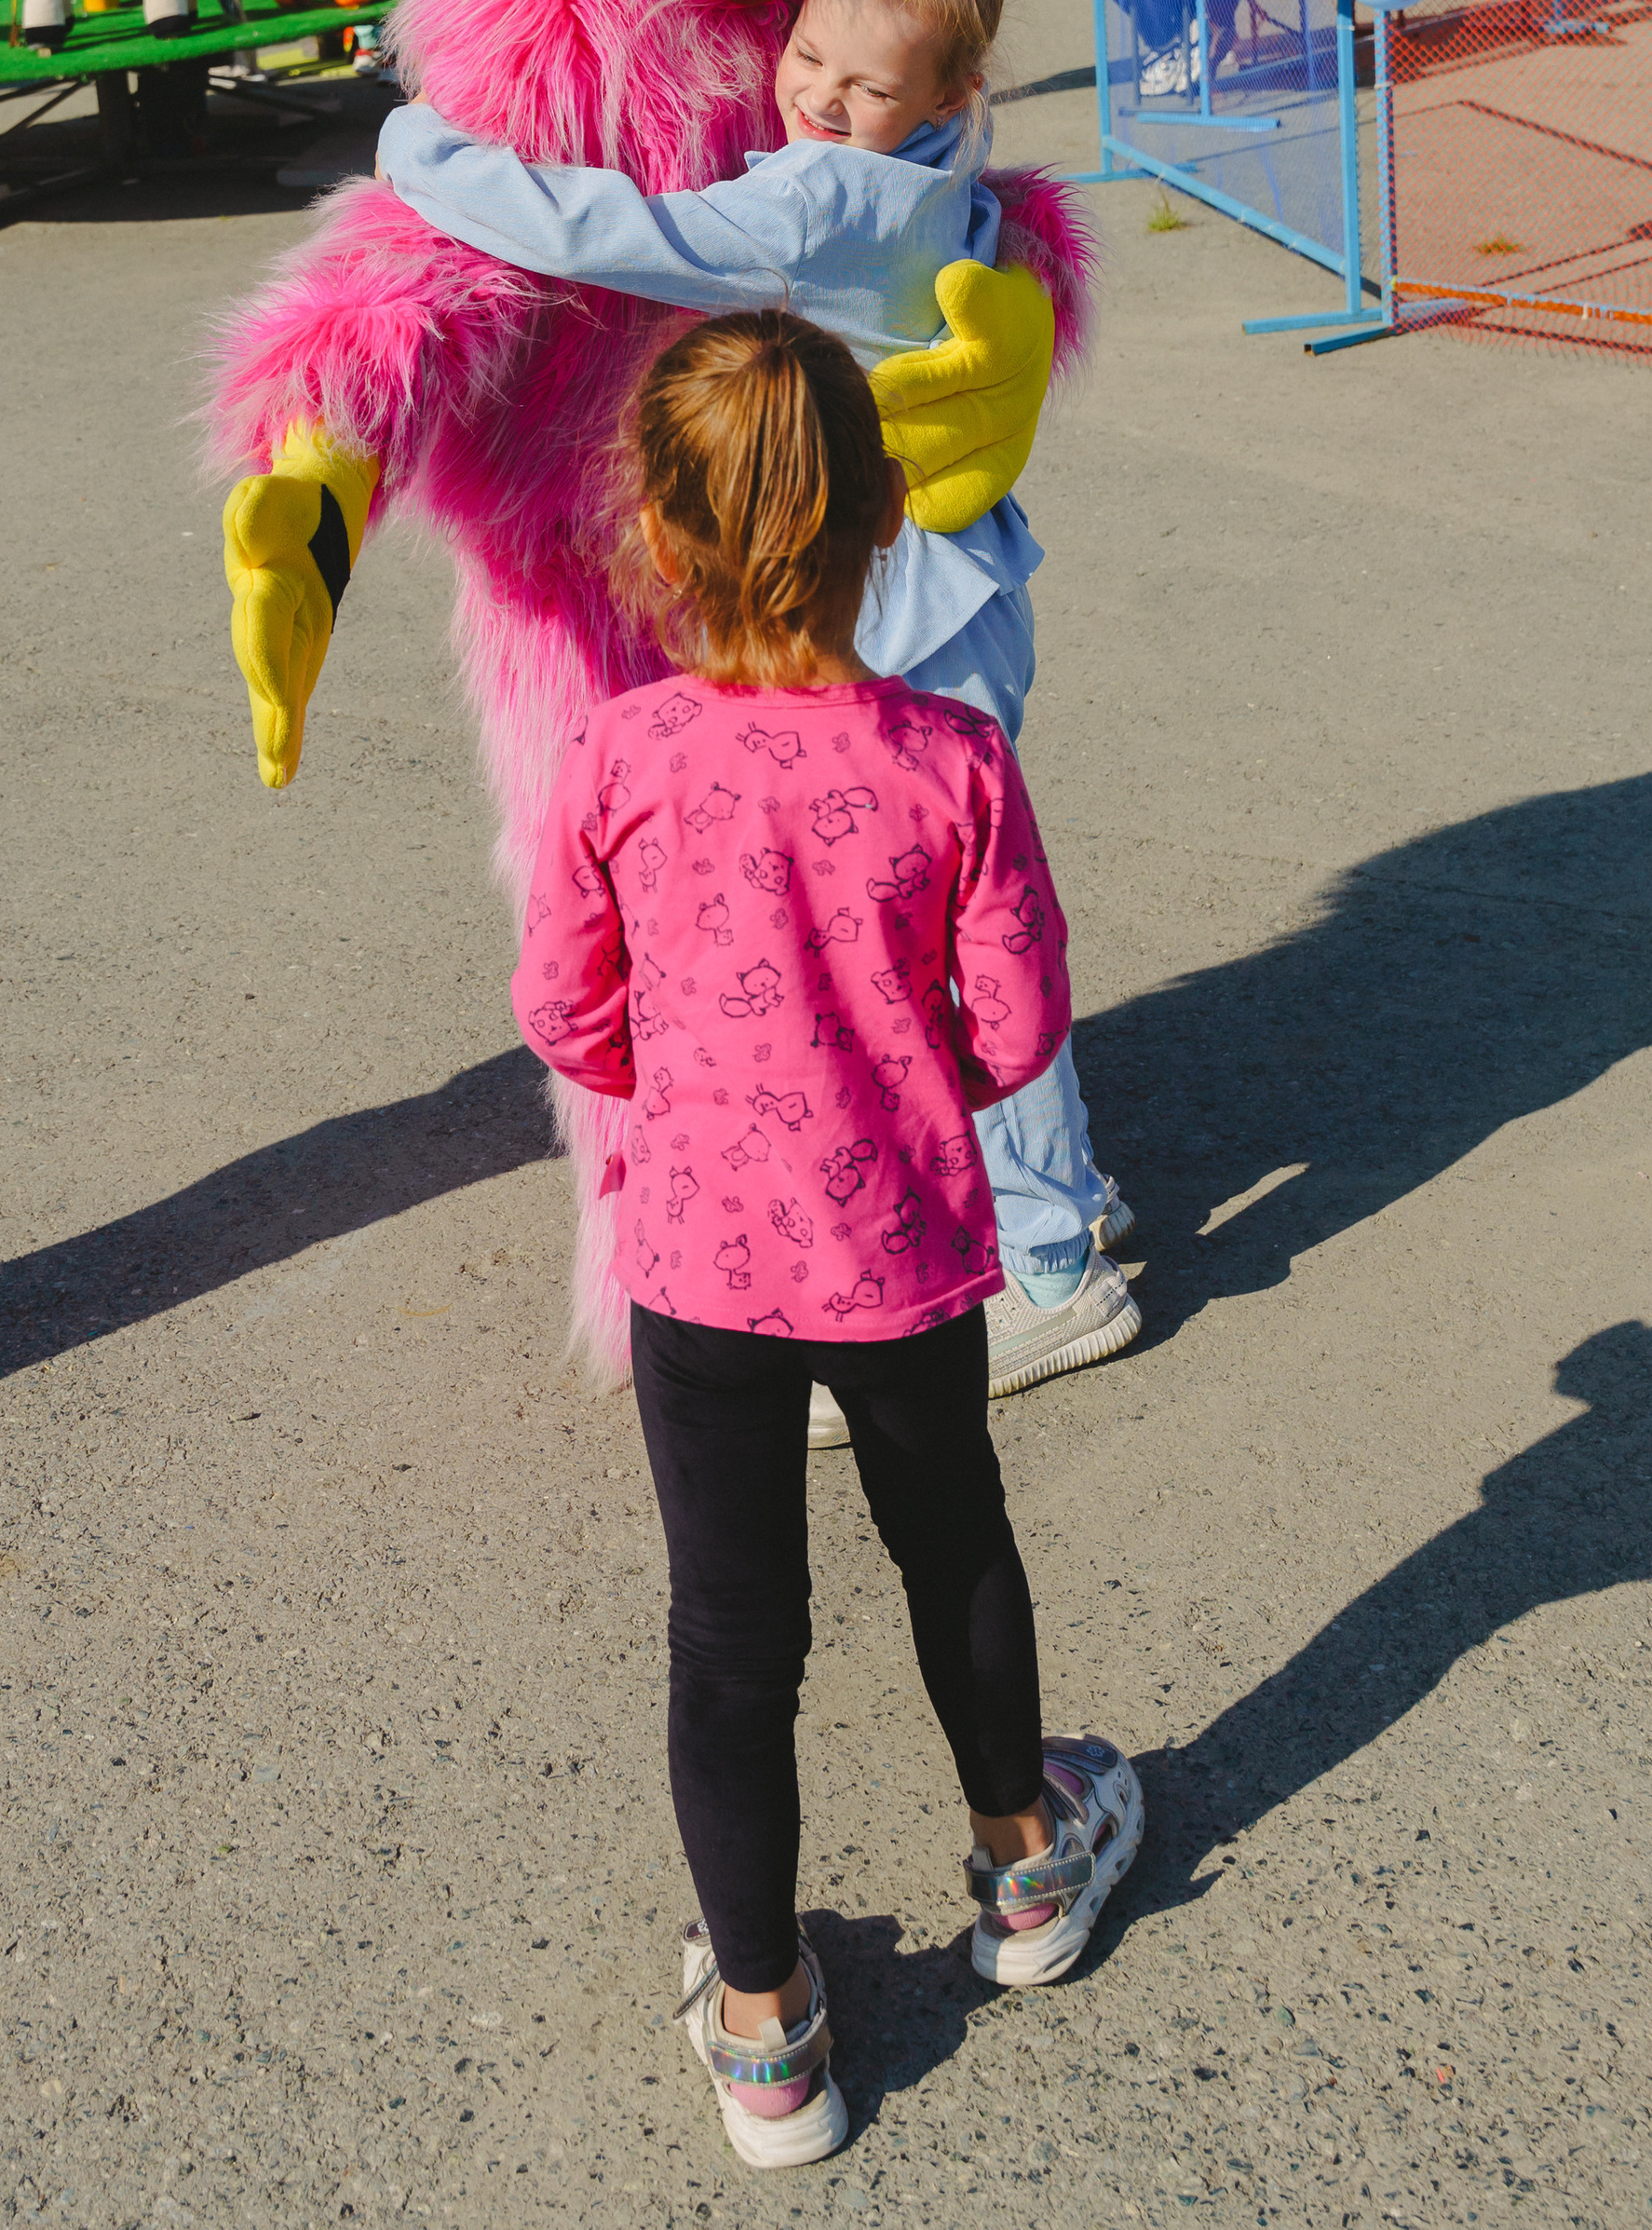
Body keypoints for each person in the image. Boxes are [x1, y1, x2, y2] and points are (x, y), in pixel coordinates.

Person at [514, 306, 1142, 2170]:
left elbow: (564, 1009)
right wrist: (900, 1066)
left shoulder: (616, 758)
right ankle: (1026, 1873)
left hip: (697, 1268)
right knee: (951, 1546)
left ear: (656, 538)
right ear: (886, 516)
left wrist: (693, 1081)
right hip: (900, 1262)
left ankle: (768, 2028)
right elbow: (1018, 1029)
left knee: (730, 1638)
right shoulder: (952, 761)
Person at [382, 0, 1139, 1411]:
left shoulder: (825, 206)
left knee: (930, 946)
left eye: (862, 88)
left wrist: (419, 153)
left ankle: (1054, 1267)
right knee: (968, 926)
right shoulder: (938, 165)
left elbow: (617, 232)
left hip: (906, 616)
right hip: (960, 581)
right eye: (805, 58)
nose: (816, 100)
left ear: (946, 102)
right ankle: (1064, 1194)